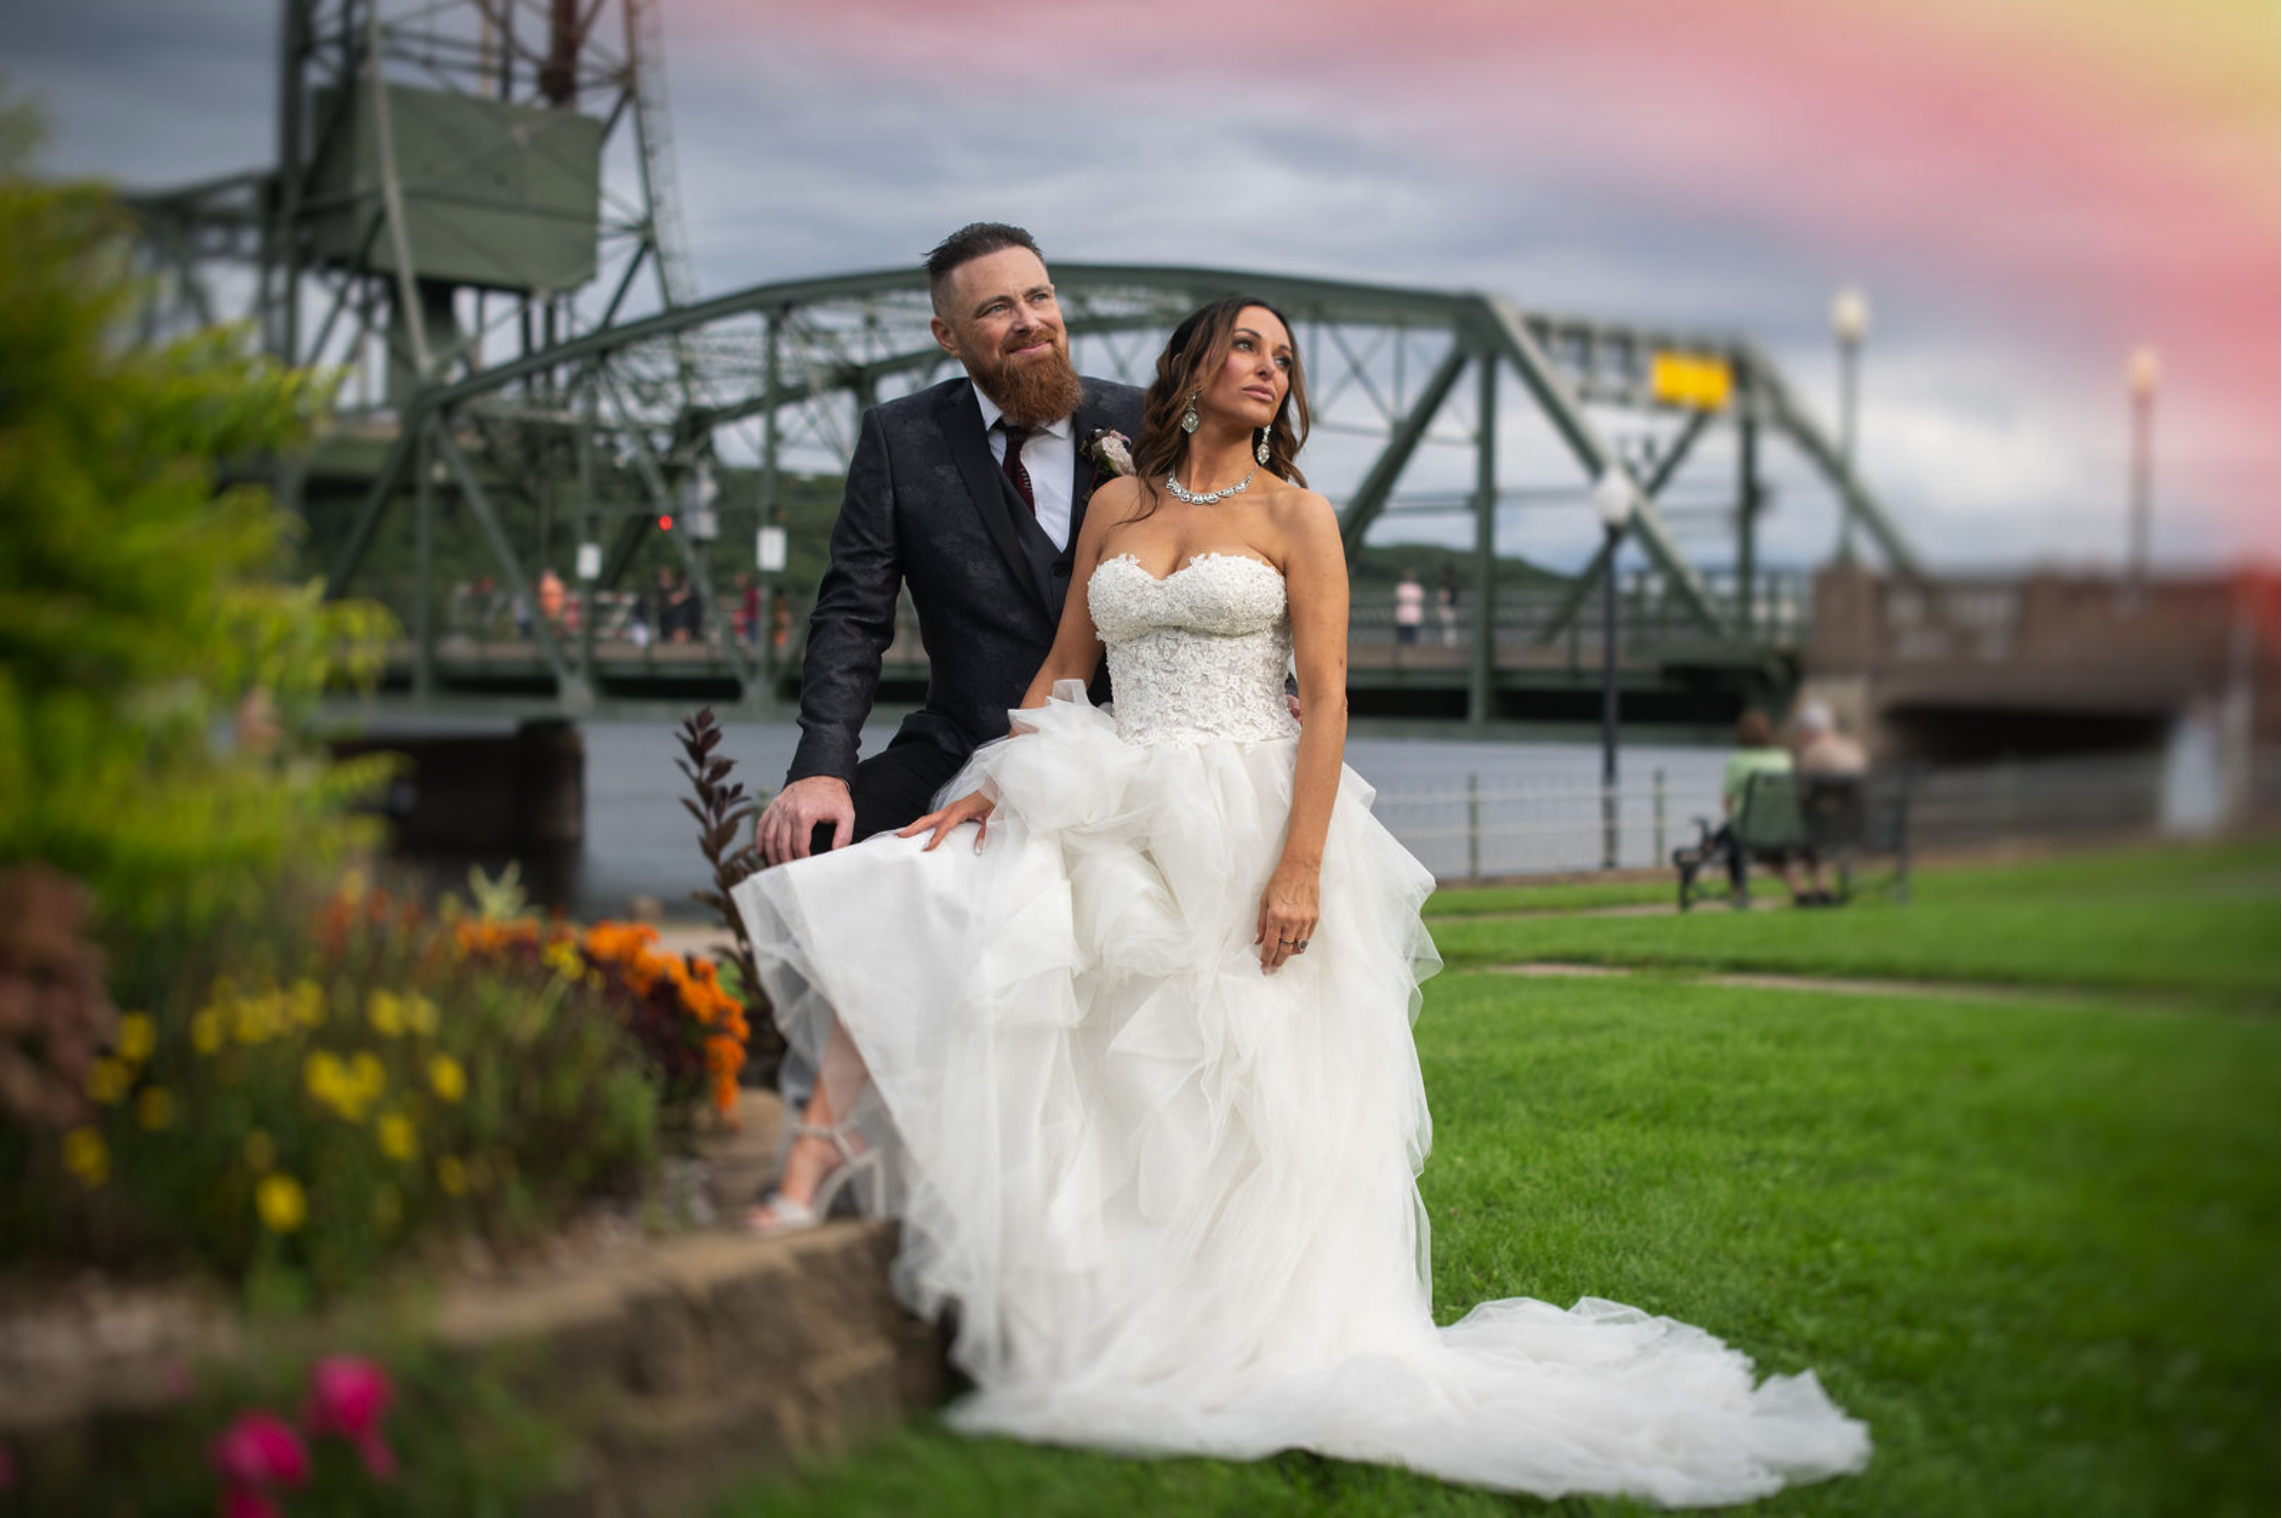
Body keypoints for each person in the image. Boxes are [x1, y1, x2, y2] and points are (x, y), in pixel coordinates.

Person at [731, 297, 1869, 1504]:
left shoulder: (1298, 517)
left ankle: (1255, 1325)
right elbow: (1067, 667)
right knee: (1061, 1015)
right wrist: (994, 784)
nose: (1268, 370)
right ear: (1192, 367)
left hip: (1245, 807)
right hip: (1113, 778)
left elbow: (1323, 700)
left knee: (1245, 1070)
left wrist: (1299, 864)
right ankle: (1087, 1291)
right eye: (1246, 348)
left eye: (1284, 358)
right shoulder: (1117, 506)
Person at [1719, 708, 1808, 903]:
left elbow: (1728, 801)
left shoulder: (1737, 759)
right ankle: (1799, 888)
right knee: (1763, 849)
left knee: (1728, 837)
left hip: (1748, 827)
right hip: (1779, 825)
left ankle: (1738, 889)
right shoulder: (1782, 757)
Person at [1393, 568, 1425, 647]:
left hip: (1413, 614)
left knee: (1412, 635)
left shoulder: (1417, 587)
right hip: (1403, 614)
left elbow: (1420, 598)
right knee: (1402, 635)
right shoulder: (1401, 587)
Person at [1436, 562, 1460, 647]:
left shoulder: (1447, 583)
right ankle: (1450, 643)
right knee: (1450, 626)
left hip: (1447, 606)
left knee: (1448, 626)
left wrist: (1442, 604)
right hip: (1452, 606)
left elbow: (1445, 595)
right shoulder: (1453, 583)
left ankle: (1449, 644)